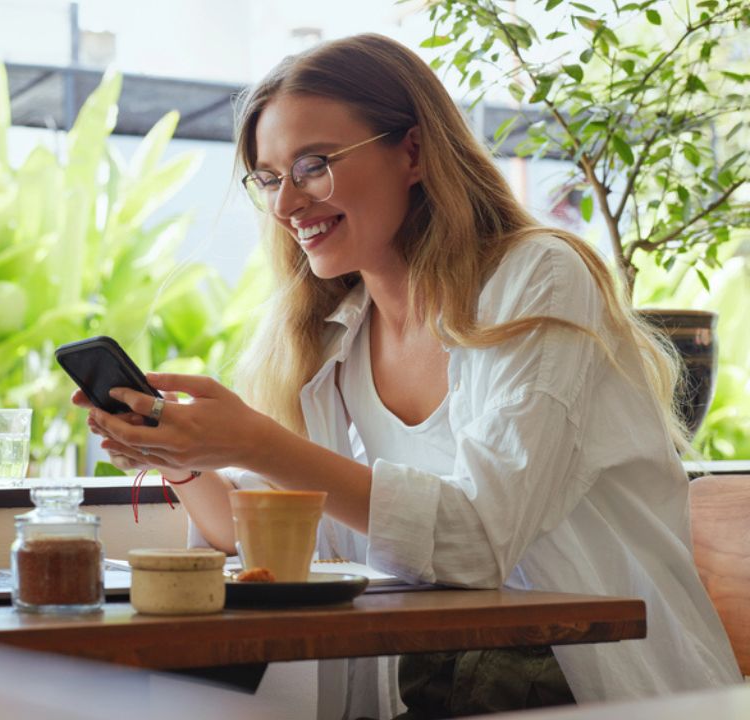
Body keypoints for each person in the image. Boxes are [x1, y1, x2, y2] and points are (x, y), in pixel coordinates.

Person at [74, 34, 740, 719]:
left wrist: (257, 444)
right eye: (270, 178)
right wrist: (180, 456)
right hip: (424, 683)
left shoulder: (537, 278)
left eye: (314, 165)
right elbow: (308, 538)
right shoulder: (336, 337)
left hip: (581, 678)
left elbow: (480, 540)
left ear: (413, 152)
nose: (286, 206)